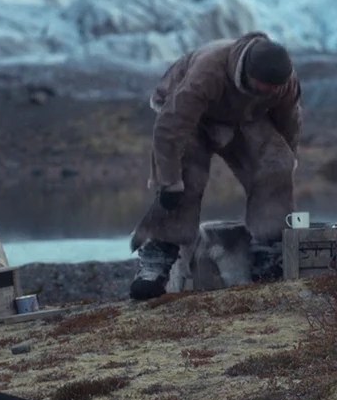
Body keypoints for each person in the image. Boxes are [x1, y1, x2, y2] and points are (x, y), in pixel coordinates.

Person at [127, 32, 301, 301]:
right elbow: (171, 127)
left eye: (273, 88)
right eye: (264, 85)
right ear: (248, 72)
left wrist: (287, 161)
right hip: (184, 113)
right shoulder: (208, 70)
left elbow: (288, 120)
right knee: (187, 178)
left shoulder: (283, 83)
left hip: (241, 117)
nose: (269, 91)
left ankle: (268, 249)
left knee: (276, 163)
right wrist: (168, 181)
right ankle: (156, 260)